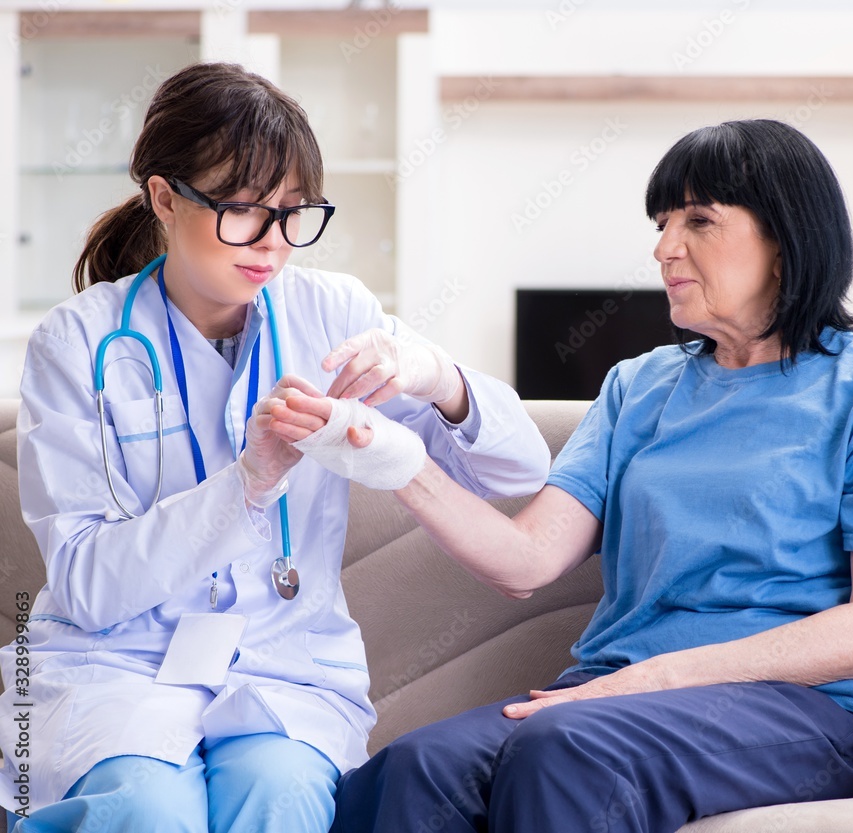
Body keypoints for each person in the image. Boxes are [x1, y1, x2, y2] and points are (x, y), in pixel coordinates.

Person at [265, 119, 853, 833]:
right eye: (663, 223)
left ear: (784, 239)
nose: (664, 248)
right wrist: (395, 459)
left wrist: (649, 678)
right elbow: (527, 559)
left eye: (697, 220)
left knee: (563, 748)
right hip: (616, 700)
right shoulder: (640, 386)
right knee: (414, 769)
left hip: (797, 706)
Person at [0, 62, 550, 833]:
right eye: (242, 211)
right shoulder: (78, 342)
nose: (272, 242)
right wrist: (248, 483)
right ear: (164, 197)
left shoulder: (335, 312)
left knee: (281, 798)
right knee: (149, 811)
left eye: (293, 213)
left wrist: (438, 377)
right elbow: (88, 585)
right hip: (116, 666)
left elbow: (521, 470)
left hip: (280, 663)